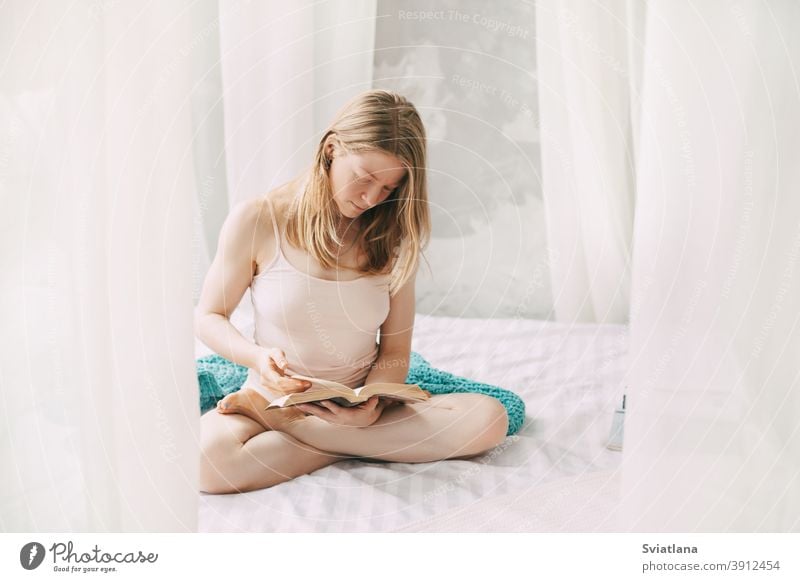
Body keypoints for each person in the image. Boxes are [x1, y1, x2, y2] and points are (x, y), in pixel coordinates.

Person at [195, 90, 509, 494]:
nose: (372, 198)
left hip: (362, 411)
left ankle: (321, 437)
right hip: (271, 398)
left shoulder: (394, 239)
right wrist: (256, 357)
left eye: (389, 188)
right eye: (365, 178)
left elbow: (395, 352)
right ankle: (352, 443)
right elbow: (209, 316)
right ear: (331, 149)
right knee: (205, 461)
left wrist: (364, 408)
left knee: (490, 419)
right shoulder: (258, 219)